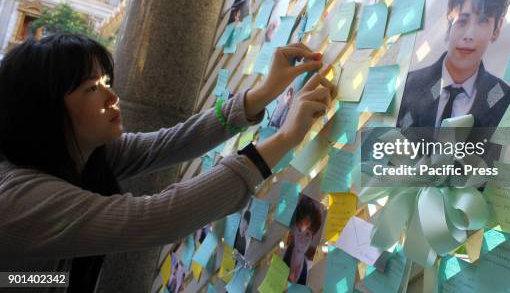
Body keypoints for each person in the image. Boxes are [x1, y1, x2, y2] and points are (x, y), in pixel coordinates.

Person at [0, 34, 334, 292]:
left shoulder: (82, 153)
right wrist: (284, 138)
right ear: (43, 110)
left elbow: (168, 143)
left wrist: (261, 94)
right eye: (92, 88)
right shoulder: (19, 200)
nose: (111, 96)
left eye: (106, 81)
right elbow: (158, 218)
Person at [397, 0, 510, 133]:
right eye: (463, 20)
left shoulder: (503, 98)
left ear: (497, 28)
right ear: (450, 18)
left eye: (482, 21)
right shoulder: (410, 84)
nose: (469, 35)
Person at [282, 195, 323, 285]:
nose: (302, 238)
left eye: (307, 234)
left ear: (312, 237)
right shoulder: (281, 255)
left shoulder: (309, 270)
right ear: (294, 229)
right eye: (300, 230)